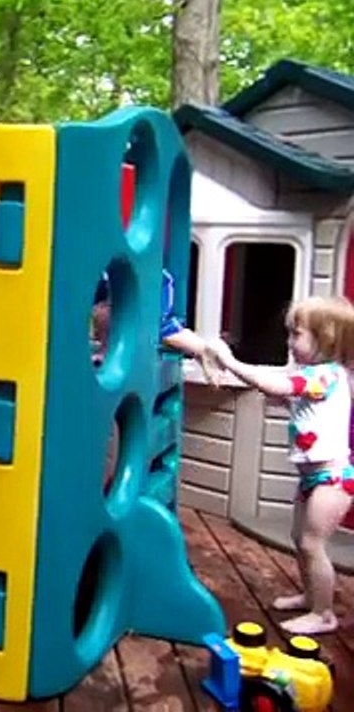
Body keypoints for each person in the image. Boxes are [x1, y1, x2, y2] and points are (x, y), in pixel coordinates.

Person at [206, 296, 354, 635]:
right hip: (314, 478)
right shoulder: (316, 377)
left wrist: (229, 361)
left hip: (332, 480)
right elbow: (288, 395)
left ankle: (324, 613)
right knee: (300, 539)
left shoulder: (326, 376)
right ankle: (311, 595)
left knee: (312, 544)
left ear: (326, 337)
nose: (289, 342)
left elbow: (274, 384)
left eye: (296, 334)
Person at [91, 269, 222, 384]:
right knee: (167, 331)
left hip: (150, 289)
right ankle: (206, 353)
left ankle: (206, 353)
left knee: (164, 331)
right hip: (140, 292)